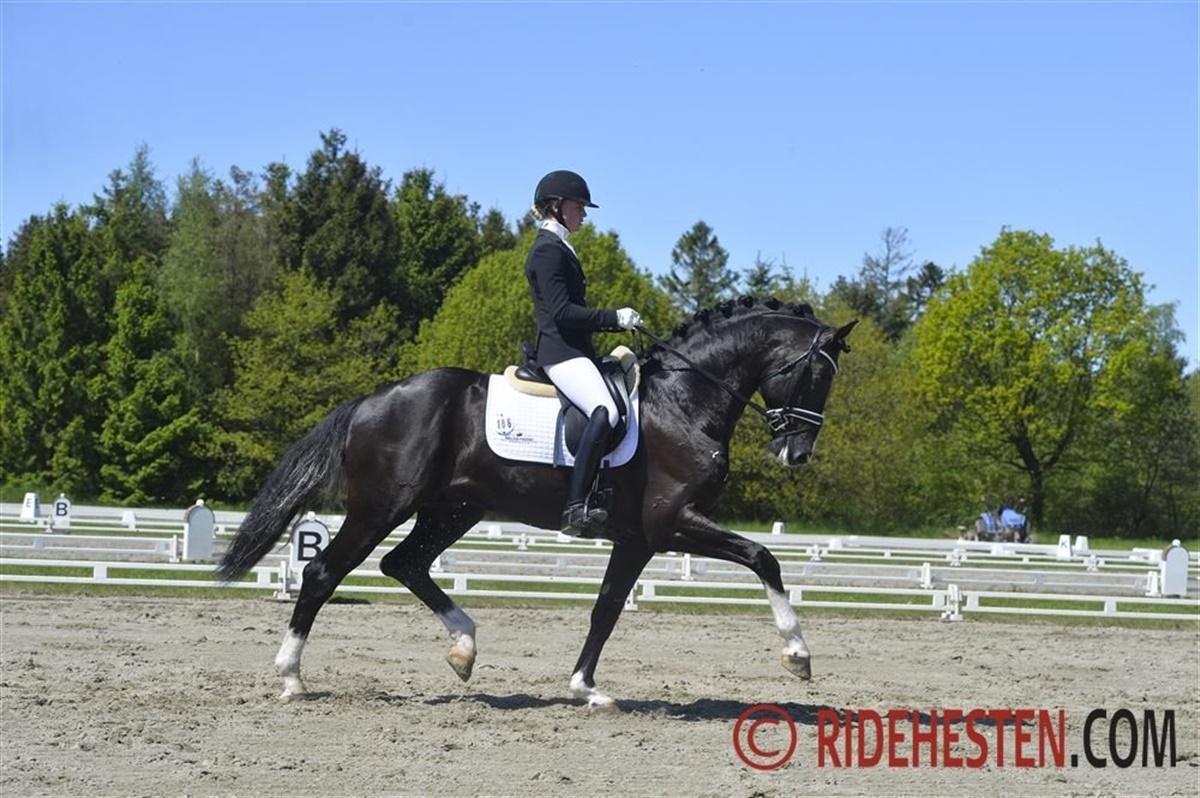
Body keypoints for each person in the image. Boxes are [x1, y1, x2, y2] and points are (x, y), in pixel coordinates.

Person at [523, 169, 642, 537]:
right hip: (560, 353)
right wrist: (613, 318)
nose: (584, 215)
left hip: (575, 350)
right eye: (579, 207)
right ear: (556, 207)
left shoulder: (560, 247)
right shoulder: (547, 250)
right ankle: (576, 505)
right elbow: (561, 312)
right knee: (604, 410)